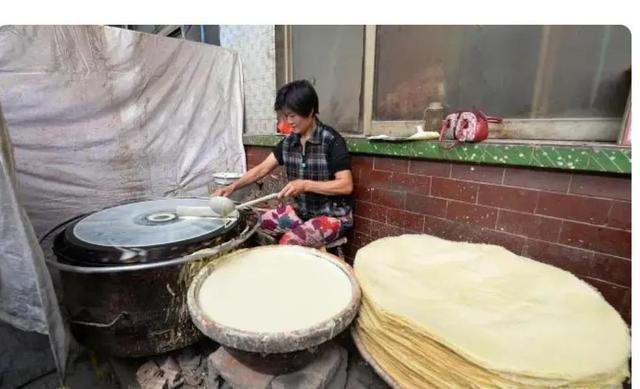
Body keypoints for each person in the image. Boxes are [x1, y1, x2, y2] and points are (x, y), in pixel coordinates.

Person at [214, 80, 354, 247]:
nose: (289, 121)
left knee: (289, 241)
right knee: (248, 221)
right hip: (301, 214)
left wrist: (306, 185)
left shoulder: (331, 141)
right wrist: (232, 187)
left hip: (332, 217)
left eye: (293, 115)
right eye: (286, 115)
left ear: (310, 111)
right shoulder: (289, 143)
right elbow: (261, 170)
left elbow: (346, 185)